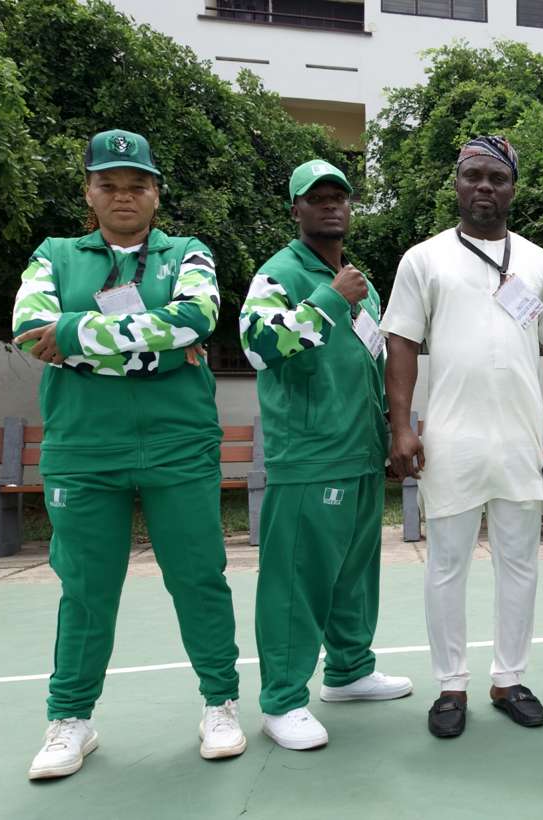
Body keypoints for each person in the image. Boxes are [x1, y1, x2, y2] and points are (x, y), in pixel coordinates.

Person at [12, 129, 245, 780]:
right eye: (108, 184)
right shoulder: (55, 254)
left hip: (177, 439)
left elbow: (196, 317)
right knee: (86, 587)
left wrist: (73, 335)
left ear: (156, 193)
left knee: (198, 575)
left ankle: (220, 703)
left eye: (137, 184)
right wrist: (155, 349)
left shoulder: (189, 252)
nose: (123, 196)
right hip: (83, 444)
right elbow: (29, 329)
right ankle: (71, 719)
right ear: (88, 192)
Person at [381, 136, 543, 738]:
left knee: (520, 563)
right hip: (452, 438)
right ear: (457, 183)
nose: (485, 186)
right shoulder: (424, 259)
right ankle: (451, 686)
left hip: (521, 437)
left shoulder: (541, 263)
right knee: (446, 565)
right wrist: (401, 426)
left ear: (513, 187)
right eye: (473, 175)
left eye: (497, 177)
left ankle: (509, 678)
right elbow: (401, 344)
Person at [240, 160, 412, 751]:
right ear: (296, 209)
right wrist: (329, 298)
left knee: (355, 573)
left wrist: (391, 431)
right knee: (297, 581)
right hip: (309, 455)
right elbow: (261, 347)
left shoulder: (360, 282)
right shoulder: (280, 274)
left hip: (361, 452)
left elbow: (374, 362)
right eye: (317, 198)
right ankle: (283, 700)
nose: (332, 205)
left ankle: (349, 670)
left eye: (340, 196)